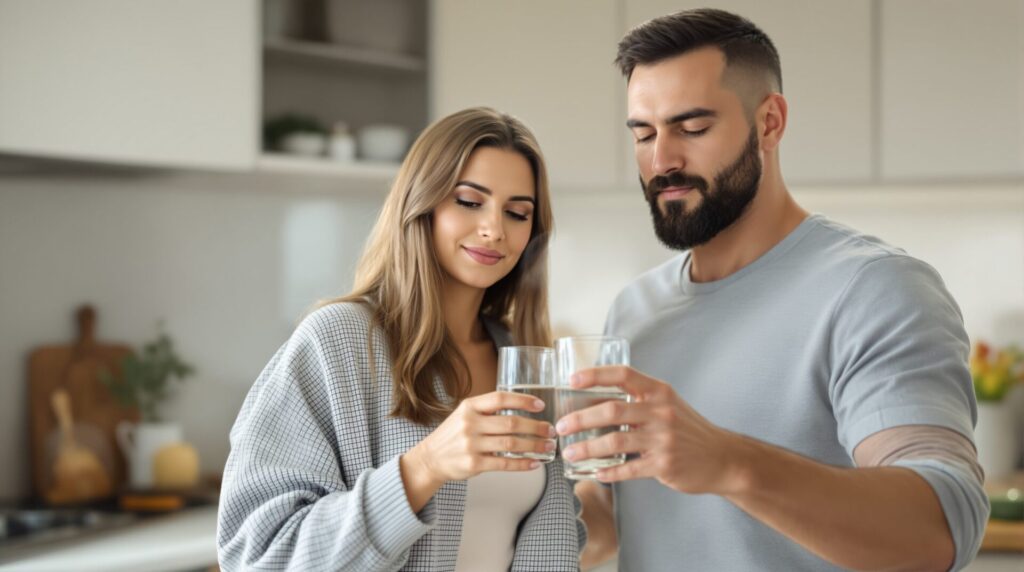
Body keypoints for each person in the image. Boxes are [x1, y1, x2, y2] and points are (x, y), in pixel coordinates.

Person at [558, 9, 989, 572]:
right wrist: (503, 506)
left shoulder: (874, 289)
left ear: (770, 122)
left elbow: (940, 532)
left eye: (691, 128)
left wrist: (729, 462)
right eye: (644, 133)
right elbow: (626, 514)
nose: (661, 160)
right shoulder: (635, 308)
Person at [217, 107, 584, 571]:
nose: (495, 228)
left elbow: (551, 541)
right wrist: (425, 467)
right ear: (421, 205)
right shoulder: (337, 342)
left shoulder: (526, 363)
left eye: (517, 212)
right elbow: (262, 555)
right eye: (470, 201)